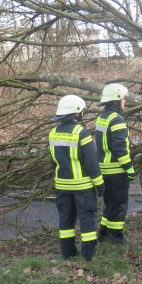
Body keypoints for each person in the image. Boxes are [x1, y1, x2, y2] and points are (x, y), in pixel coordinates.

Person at [48, 95, 104, 261]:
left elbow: (53, 161)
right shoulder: (81, 132)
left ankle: (68, 254)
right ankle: (88, 256)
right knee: (87, 221)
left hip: (62, 187)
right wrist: (100, 185)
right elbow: (91, 163)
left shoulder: (53, 133)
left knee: (66, 221)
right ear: (77, 112)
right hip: (82, 188)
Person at [95, 83, 135, 244]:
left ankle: (104, 234)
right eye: (123, 99)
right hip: (116, 171)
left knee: (110, 204)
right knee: (119, 206)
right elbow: (120, 149)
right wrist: (129, 168)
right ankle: (116, 238)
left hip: (104, 170)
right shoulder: (117, 120)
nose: (125, 102)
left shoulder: (103, 117)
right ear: (117, 100)